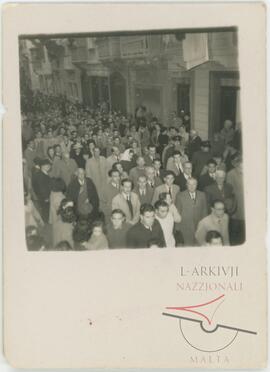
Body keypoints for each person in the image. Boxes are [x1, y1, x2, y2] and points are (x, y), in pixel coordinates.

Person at [175, 178, 208, 246]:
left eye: (194, 184)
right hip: (185, 227)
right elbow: (177, 213)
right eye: (189, 184)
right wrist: (177, 229)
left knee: (199, 247)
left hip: (199, 227)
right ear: (186, 185)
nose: (192, 186)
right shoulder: (180, 196)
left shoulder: (202, 195)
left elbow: (204, 210)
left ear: (197, 185)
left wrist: (205, 225)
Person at [226, 156, 245, 245]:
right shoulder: (231, 174)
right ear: (236, 164)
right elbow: (229, 191)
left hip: (246, 207)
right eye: (240, 166)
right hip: (236, 206)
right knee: (235, 229)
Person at [32, 159, 52, 223]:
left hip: (43, 197)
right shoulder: (41, 175)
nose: (48, 166)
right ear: (42, 166)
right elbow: (41, 188)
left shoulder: (43, 173)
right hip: (44, 198)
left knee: (45, 211)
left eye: (49, 165)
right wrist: (46, 197)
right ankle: (46, 224)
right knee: (45, 211)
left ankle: (46, 222)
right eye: (46, 165)